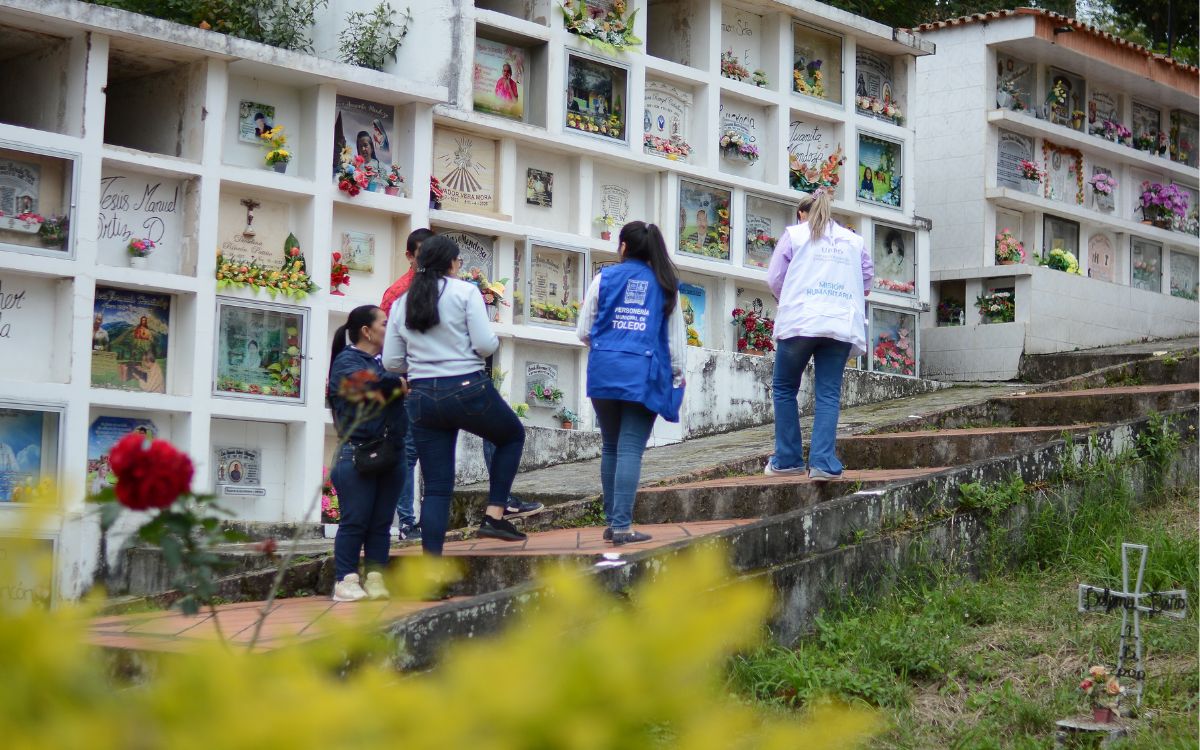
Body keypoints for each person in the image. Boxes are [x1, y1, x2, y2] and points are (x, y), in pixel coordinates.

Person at [382, 236, 527, 555]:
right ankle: (495, 515)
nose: (460, 266)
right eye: (459, 261)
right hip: (466, 388)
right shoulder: (465, 292)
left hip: (422, 397)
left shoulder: (402, 302)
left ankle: (432, 566)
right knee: (511, 436)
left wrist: (421, 363)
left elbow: (391, 362)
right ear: (450, 263)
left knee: (436, 487)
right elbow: (485, 345)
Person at [576, 221, 685, 545]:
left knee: (611, 445)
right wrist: (676, 376)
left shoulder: (603, 278)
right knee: (630, 450)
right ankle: (623, 527)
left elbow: (584, 331)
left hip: (604, 371)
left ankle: (614, 522)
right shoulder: (665, 284)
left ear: (623, 246)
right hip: (643, 375)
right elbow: (675, 342)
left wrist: (609, 346)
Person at [765, 188, 873, 481]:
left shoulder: (795, 235)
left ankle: (787, 459)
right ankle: (823, 462)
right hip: (839, 324)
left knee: (785, 388)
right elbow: (866, 279)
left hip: (800, 321)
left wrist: (788, 297)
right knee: (828, 393)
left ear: (804, 212)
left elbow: (774, 278)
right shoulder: (854, 241)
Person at [328, 304, 408, 601]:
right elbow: (363, 383)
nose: (390, 328)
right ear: (366, 331)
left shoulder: (386, 362)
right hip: (356, 455)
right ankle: (345, 580)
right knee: (355, 520)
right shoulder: (346, 361)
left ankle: (375, 577)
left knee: (381, 522)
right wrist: (396, 382)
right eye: (385, 324)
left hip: (391, 453)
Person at [381, 228, 435, 540]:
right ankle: (406, 521)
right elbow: (386, 345)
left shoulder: (447, 288)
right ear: (409, 256)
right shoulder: (398, 293)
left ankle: (430, 520)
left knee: (434, 453)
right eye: (422, 254)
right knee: (409, 453)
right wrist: (402, 380)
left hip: (440, 384)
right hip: (410, 387)